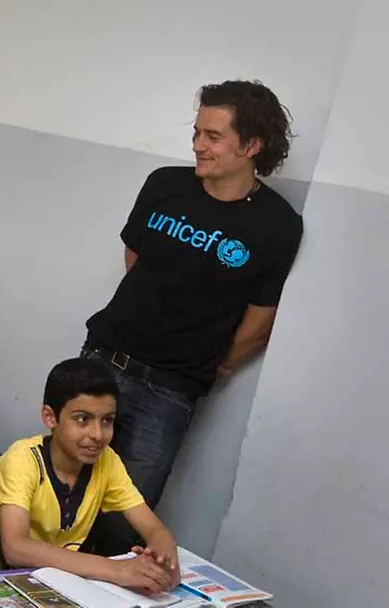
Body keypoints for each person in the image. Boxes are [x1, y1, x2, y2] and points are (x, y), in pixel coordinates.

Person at [81, 80, 304, 555]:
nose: (199, 145)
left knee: (125, 521)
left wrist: (217, 365)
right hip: (102, 359)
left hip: (170, 389)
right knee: (58, 494)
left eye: (214, 137)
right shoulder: (165, 185)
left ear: (251, 146)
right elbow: (135, 257)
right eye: (198, 132)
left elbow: (260, 319)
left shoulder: (277, 224)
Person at [0, 358, 180, 595]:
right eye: (82, 419)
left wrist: (162, 554)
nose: (97, 434)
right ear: (51, 418)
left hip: (59, 582)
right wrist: (117, 570)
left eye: (107, 421)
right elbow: (16, 548)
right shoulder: (22, 460)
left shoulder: (107, 461)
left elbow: (153, 528)